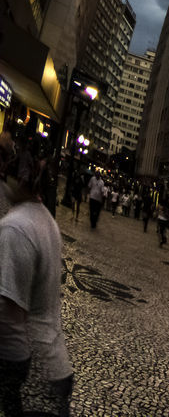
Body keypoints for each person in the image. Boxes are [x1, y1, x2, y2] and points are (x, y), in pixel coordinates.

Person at [0, 127, 74, 417]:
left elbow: (8, 316)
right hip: (54, 365)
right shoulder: (45, 220)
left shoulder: (15, 228)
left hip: (33, 375)